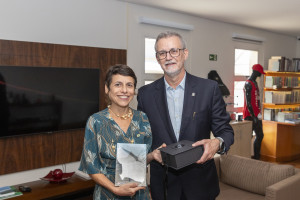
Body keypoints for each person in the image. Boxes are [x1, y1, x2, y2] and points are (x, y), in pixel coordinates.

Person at [137, 31, 234, 200]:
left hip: (200, 184)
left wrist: (217, 143)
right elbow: (141, 140)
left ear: (185, 53)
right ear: (157, 58)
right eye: (162, 53)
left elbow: (226, 131)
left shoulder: (208, 89)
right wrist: (151, 155)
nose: (168, 57)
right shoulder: (145, 94)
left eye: (174, 51)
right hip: (164, 185)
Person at [78, 64, 164, 200]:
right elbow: (91, 166)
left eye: (129, 85)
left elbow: (139, 161)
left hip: (139, 193)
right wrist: (115, 189)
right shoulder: (96, 121)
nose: (124, 90)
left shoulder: (142, 118)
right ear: (107, 88)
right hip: (108, 193)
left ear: (134, 90)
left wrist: (152, 155)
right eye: (118, 84)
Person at [243, 64, 265, 160]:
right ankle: (248, 158)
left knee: (260, 135)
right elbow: (248, 103)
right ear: (255, 72)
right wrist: (254, 116)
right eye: (260, 72)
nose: (261, 74)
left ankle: (256, 158)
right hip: (250, 115)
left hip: (257, 114)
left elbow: (256, 100)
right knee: (248, 137)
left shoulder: (255, 83)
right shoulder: (248, 83)